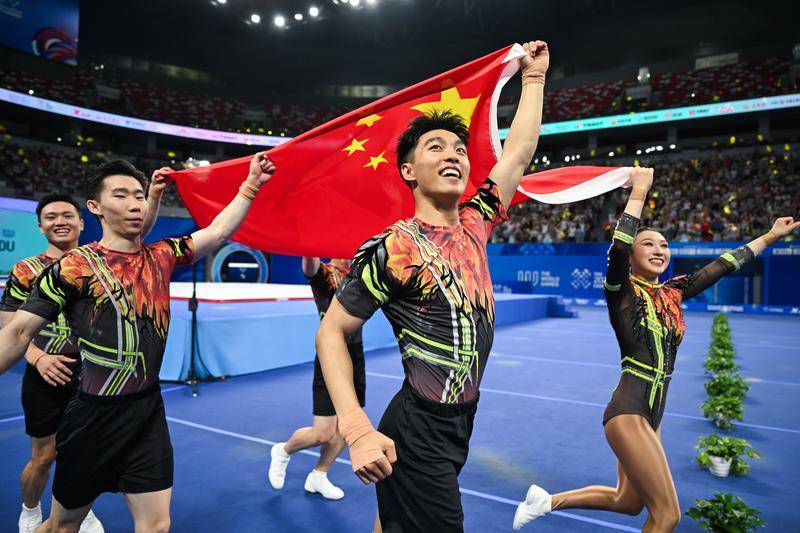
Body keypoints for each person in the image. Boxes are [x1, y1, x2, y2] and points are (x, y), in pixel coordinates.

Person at [316, 40, 549, 532]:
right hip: (418, 426)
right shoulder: (394, 248)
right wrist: (356, 429)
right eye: (436, 147)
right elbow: (331, 332)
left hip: (460, 420)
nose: (454, 155)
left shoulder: (476, 223)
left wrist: (533, 79)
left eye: (460, 150)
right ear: (408, 171)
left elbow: (518, 154)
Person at [0, 153, 275, 533]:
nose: (134, 204)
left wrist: (251, 184)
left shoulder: (162, 256)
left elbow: (217, 233)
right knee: (63, 526)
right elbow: (17, 332)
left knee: (156, 525)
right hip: (93, 417)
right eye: (120, 195)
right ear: (95, 207)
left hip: (147, 412)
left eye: (139, 196)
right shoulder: (73, 267)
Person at [513, 167, 800, 532]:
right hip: (628, 410)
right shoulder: (621, 292)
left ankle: (547, 501)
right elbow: (618, 248)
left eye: (664, 245)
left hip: (652, 413)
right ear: (632, 255)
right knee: (667, 515)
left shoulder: (673, 292)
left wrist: (770, 236)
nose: (659, 250)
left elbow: (722, 266)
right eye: (648, 243)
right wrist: (639, 193)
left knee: (629, 502)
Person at [3, 179, 165, 533]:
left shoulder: (102, 262)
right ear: (40, 226)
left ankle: (75, 507)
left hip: (91, 378)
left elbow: (141, 231)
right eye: (51, 217)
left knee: (81, 454)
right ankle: (31, 508)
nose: (60, 222)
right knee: (43, 458)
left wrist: (153, 195)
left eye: (67, 215)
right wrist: (39, 359)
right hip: (44, 376)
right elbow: (11, 329)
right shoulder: (25, 271)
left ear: (82, 220)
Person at [268, 257, 366, 500]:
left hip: (355, 355)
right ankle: (283, 450)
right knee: (322, 433)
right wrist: (309, 244)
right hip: (330, 354)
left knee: (347, 426)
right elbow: (309, 267)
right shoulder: (325, 273)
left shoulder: (360, 273)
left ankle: (319, 475)